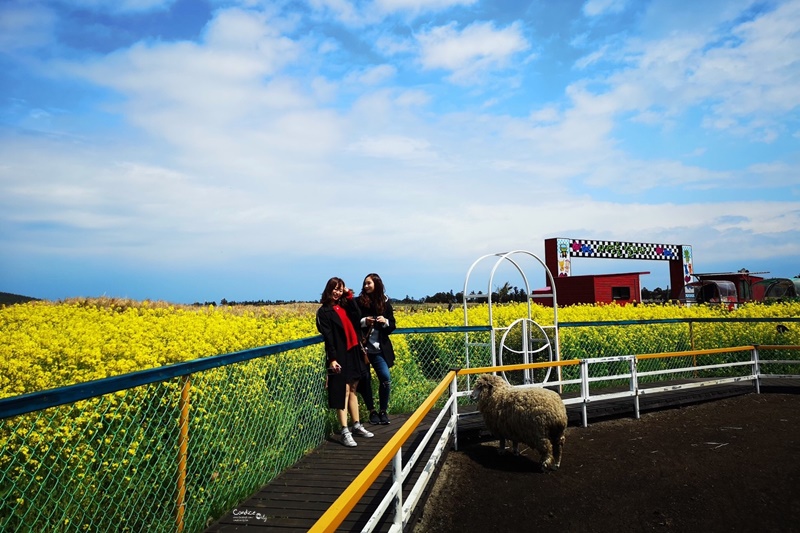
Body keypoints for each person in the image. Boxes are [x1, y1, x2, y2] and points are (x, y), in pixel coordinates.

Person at [316, 277, 374, 447]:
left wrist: (349, 296)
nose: (337, 292)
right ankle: (344, 431)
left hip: (353, 351)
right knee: (343, 391)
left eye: (340, 289)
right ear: (328, 289)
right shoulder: (324, 312)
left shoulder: (345, 306)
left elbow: (357, 316)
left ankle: (356, 425)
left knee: (354, 389)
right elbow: (328, 336)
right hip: (340, 355)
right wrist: (332, 359)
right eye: (335, 289)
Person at [356, 273, 396, 425]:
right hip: (363, 350)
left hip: (379, 350)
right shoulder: (360, 302)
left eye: (369, 283)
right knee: (365, 380)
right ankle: (372, 411)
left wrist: (385, 321)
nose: (366, 286)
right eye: (365, 283)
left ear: (377, 285)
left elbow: (392, 325)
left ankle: (383, 411)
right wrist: (364, 321)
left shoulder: (385, 303)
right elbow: (353, 320)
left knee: (385, 378)